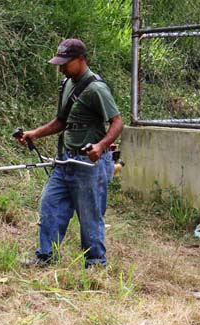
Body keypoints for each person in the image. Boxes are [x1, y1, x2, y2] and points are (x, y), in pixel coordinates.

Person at [15, 38, 123, 268]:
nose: (61, 67)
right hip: (66, 160)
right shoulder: (67, 84)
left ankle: (95, 264)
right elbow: (61, 121)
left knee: (89, 216)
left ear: (81, 59)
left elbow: (117, 122)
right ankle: (47, 256)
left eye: (65, 62)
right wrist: (35, 133)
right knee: (50, 205)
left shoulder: (96, 89)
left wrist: (100, 146)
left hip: (89, 164)